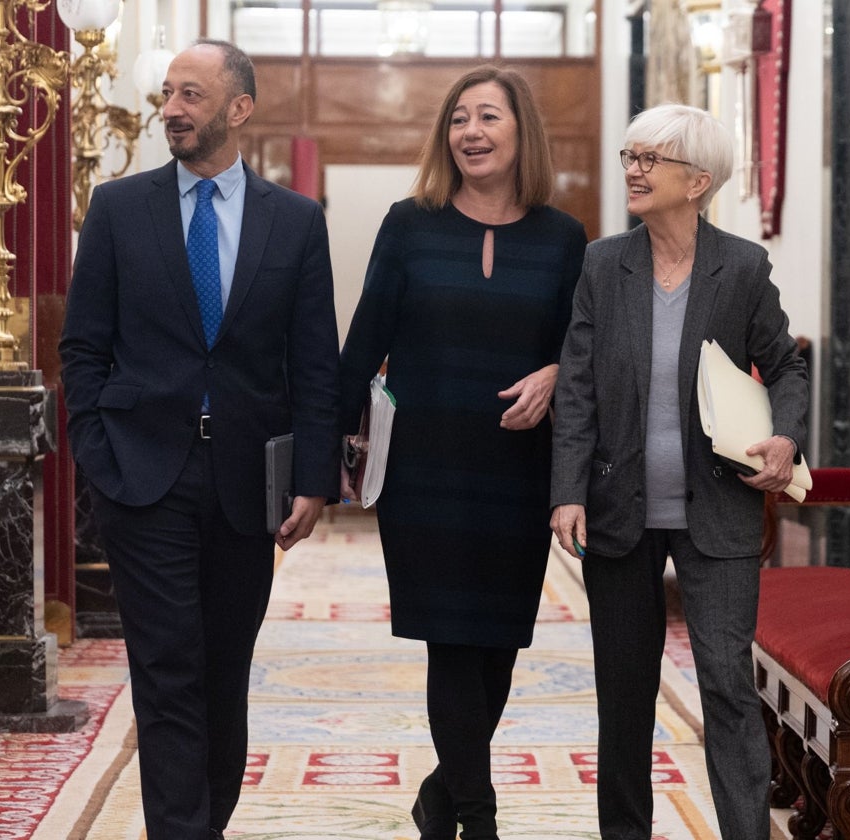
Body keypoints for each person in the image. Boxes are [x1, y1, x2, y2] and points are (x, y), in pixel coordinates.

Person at [58, 39, 341, 840]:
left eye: (190, 95)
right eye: (168, 95)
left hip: (248, 484)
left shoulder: (296, 222)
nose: (172, 110)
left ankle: (203, 823)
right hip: (141, 477)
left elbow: (315, 361)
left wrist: (314, 480)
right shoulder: (118, 209)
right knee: (167, 669)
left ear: (239, 109)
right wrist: (96, 451)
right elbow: (82, 346)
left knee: (223, 672)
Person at [337, 66, 587, 840]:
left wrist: (553, 371)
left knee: (499, 648)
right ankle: (476, 820)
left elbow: (580, 350)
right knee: (450, 643)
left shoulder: (563, 237)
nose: (471, 132)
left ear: (521, 133)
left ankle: (442, 793)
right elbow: (363, 343)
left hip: (516, 472)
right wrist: (325, 459)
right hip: (424, 471)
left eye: (488, 117)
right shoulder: (409, 224)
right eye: (458, 119)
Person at [549, 103, 808, 840]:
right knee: (624, 698)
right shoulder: (604, 264)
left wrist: (786, 437)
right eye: (628, 156)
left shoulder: (741, 267)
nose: (631, 170)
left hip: (718, 513)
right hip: (617, 510)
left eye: (648, 159)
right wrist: (567, 489)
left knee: (727, 688)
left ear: (696, 181)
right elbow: (576, 384)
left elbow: (786, 364)